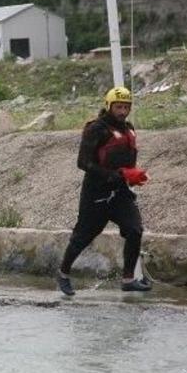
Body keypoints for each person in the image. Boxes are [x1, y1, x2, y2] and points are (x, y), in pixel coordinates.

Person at [56, 86, 151, 296]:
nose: (122, 112)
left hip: (120, 193)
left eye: (126, 107)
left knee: (135, 230)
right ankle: (63, 273)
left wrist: (134, 176)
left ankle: (128, 280)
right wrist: (115, 175)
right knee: (82, 237)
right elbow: (83, 162)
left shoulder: (129, 128)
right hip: (96, 193)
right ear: (108, 106)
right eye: (118, 107)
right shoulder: (96, 129)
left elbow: (126, 163)